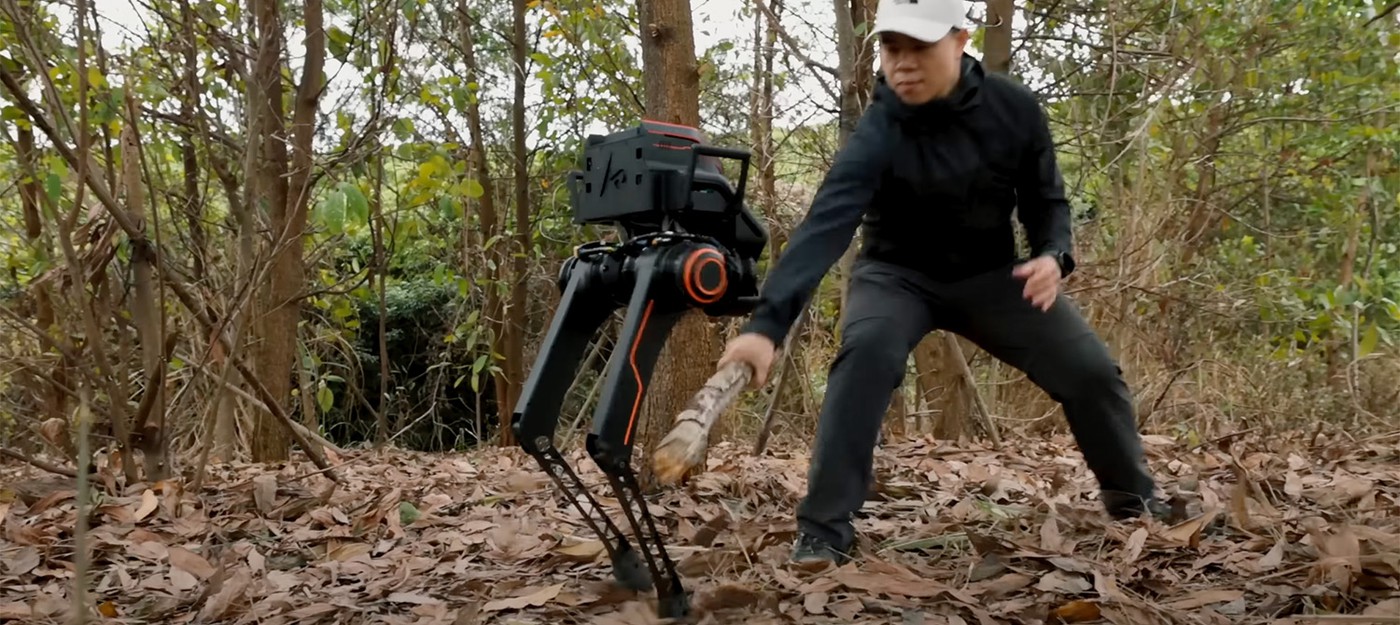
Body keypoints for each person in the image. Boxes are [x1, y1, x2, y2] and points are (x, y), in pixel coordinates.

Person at [717, 0, 1169, 565]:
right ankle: (823, 533)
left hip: (992, 278)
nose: (902, 65)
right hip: (896, 277)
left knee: (1091, 372)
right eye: (890, 49)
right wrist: (767, 326)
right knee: (867, 355)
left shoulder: (1014, 110)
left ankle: (1135, 502)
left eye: (919, 48)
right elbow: (824, 229)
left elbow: (1046, 201)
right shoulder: (877, 130)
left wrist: (1054, 256)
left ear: (960, 39)